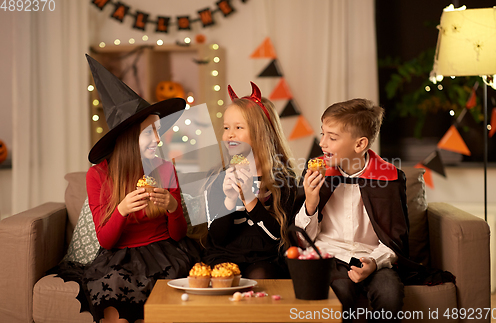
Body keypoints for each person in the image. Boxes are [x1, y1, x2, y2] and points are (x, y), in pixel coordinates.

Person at [61, 55, 198, 323]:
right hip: (119, 255)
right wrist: (122, 209)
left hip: (164, 250)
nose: (158, 139)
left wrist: (173, 207)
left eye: (157, 131)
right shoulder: (98, 175)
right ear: (129, 139)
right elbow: (106, 241)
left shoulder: (164, 168)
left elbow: (178, 234)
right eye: (150, 132)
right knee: (112, 292)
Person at [294, 98, 407, 322]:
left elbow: (395, 239)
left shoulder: (390, 178)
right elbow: (302, 240)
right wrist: (310, 202)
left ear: (360, 144)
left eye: (332, 137)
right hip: (329, 257)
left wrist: (374, 262)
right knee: (339, 293)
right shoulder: (316, 174)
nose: (322, 143)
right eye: (322, 133)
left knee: (390, 293)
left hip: (373, 258)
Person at [202, 82, 297, 279]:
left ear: (261, 133)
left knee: (262, 277)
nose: (230, 134)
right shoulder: (217, 178)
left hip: (265, 258)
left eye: (238, 127)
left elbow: (277, 238)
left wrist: (249, 198)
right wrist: (229, 200)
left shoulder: (282, 180)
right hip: (223, 256)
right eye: (226, 127)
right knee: (223, 278)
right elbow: (217, 239)